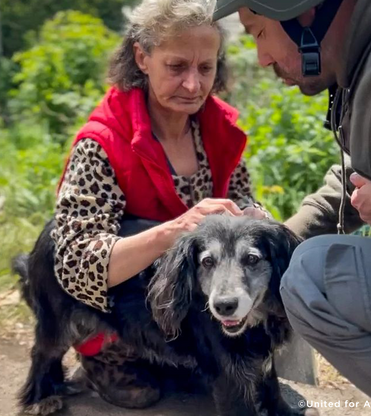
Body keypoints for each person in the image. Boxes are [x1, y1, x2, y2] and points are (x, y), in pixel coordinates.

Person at [52, 0, 269, 407]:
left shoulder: (217, 129)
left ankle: (186, 352)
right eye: (176, 67)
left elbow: (241, 199)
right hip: (122, 308)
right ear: (142, 57)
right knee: (144, 392)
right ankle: (104, 355)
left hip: (185, 302)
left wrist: (254, 216)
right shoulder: (103, 143)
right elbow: (75, 264)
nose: (193, 85)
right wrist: (174, 230)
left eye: (205, 68)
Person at [214, 0, 371, 413]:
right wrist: (280, 236)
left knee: (308, 277)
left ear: (301, 11)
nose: (262, 58)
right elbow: (365, 168)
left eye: (259, 32)